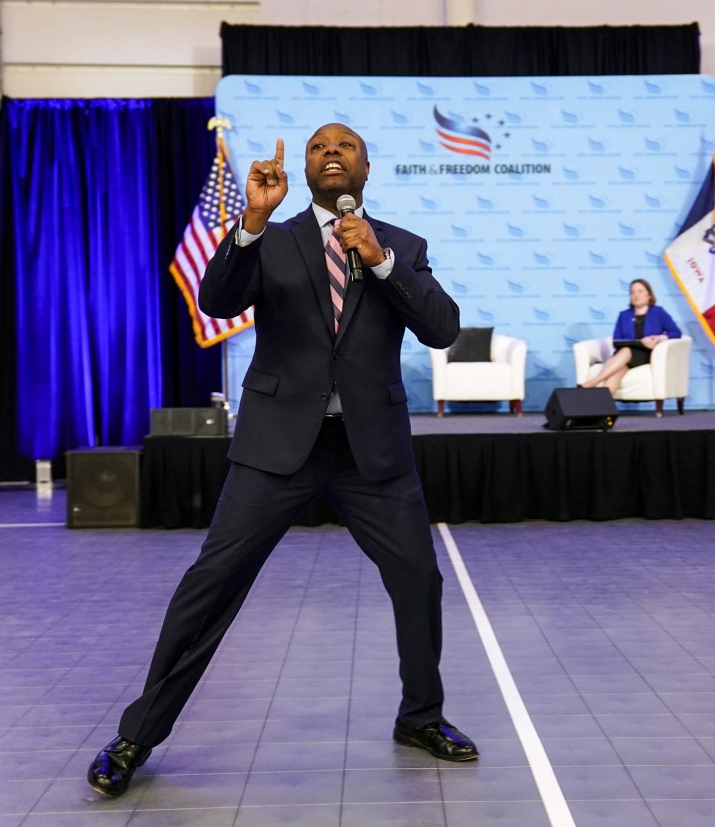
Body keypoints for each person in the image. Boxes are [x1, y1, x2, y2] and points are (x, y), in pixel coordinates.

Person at [86, 123, 478, 798]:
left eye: (346, 146)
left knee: (419, 581)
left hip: (370, 453)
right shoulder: (272, 237)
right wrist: (251, 221)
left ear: (366, 167)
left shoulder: (401, 245)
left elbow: (442, 328)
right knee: (209, 586)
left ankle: (420, 716)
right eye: (320, 146)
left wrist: (381, 260)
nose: (332, 152)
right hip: (276, 449)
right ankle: (136, 735)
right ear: (302, 166)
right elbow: (215, 301)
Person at [579, 278, 682, 393]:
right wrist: (636, 342)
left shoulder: (658, 312)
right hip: (624, 356)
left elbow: (676, 333)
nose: (636, 295)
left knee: (626, 350)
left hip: (646, 354)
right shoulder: (624, 315)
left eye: (640, 291)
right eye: (632, 292)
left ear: (649, 295)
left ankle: (594, 381)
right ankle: (602, 408)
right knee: (616, 372)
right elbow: (616, 340)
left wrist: (658, 338)